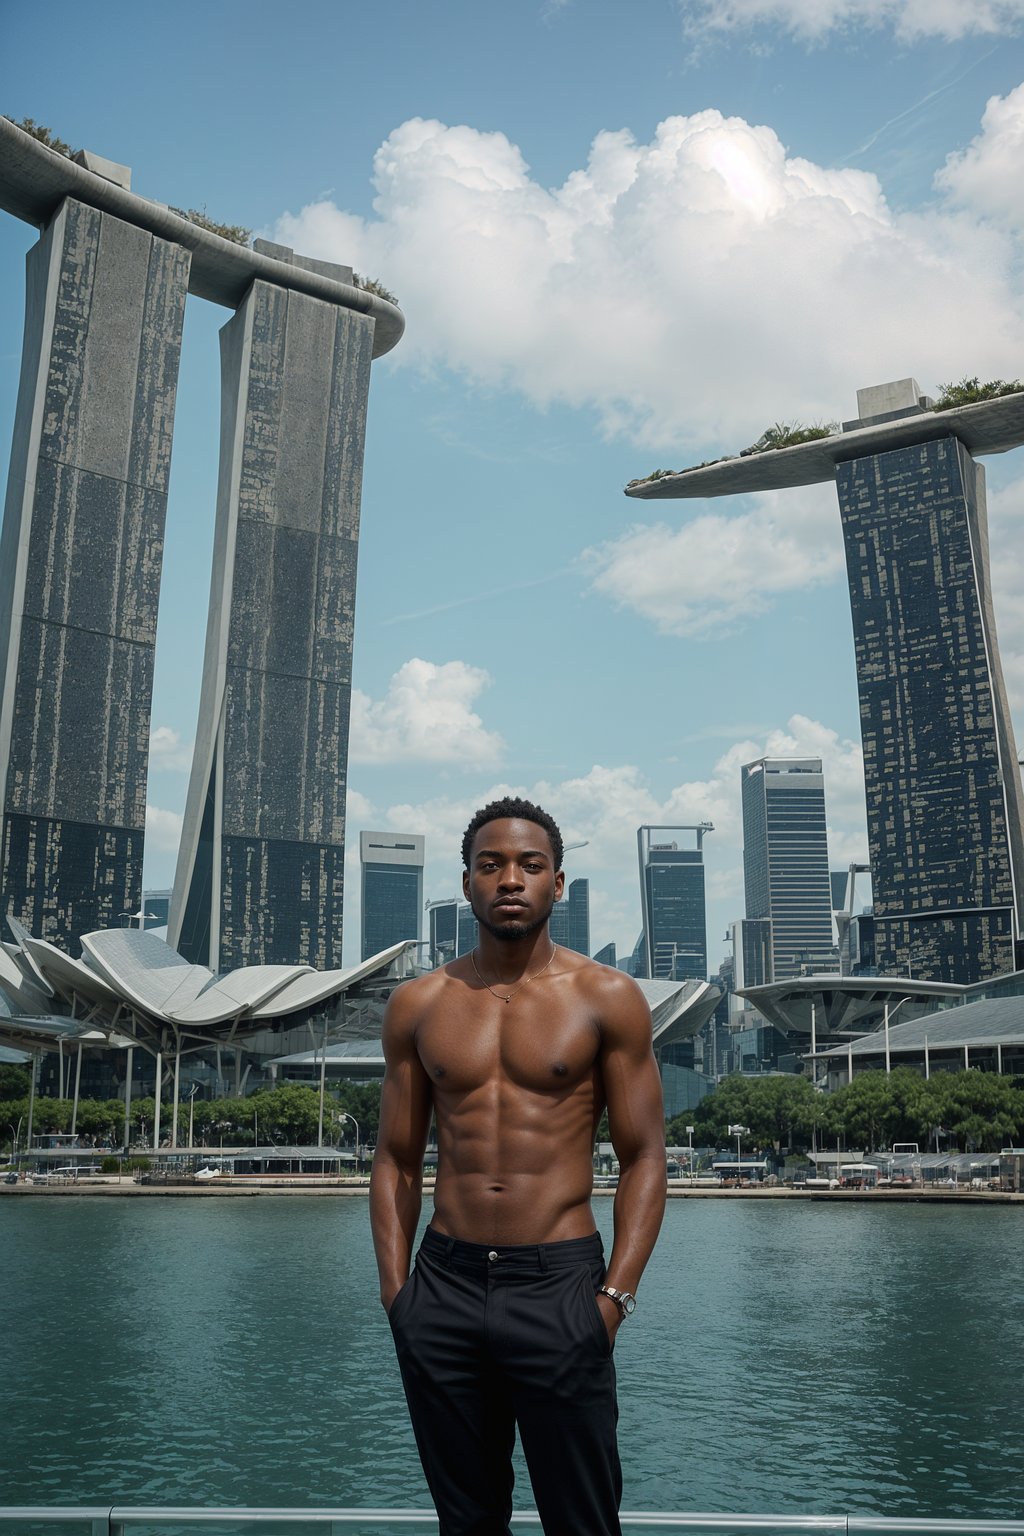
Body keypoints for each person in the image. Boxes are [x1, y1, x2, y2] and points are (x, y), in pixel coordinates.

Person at [370, 795, 666, 1536]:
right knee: (466, 1525)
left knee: (583, 1523)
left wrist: (613, 1302)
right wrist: (399, 1298)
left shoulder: (608, 998)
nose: (510, 880)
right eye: (491, 865)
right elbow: (397, 1160)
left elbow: (645, 1158)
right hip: (443, 1286)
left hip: (560, 1283)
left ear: (557, 884)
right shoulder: (418, 1004)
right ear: (466, 882)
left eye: (530, 866)